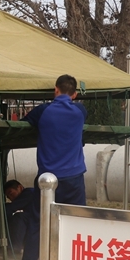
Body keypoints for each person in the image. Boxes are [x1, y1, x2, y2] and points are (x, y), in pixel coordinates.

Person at [22, 74, 88, 205]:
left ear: (56, 89)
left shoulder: (42, 111)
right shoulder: (81, 111)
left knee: (41, 219)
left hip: (48, 178)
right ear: (74, 94)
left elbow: (22, 125)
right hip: (74, 177)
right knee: (75, 218)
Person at [0, 180, 40, 260]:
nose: (11, 197)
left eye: (11, 193)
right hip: (37, 222)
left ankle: (15, 249)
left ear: (20, 187)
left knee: (19, 217)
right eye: (8, 196)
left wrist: (0, 205)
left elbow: (11, 208)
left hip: (39, 222)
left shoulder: (29, 193)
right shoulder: (29, 196)